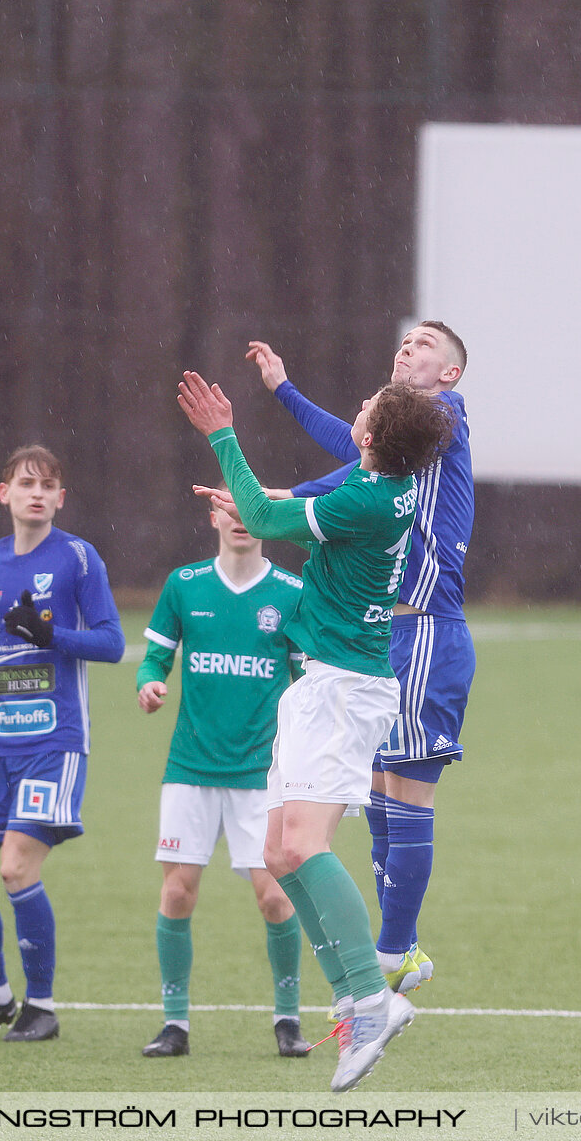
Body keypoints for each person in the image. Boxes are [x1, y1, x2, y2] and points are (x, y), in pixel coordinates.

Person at [177, 370, 453, 1092]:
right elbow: (277, 511)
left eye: (362, 408)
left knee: (303, 845)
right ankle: (352, 997)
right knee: (276, 851)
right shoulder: (375, 489)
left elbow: (271, 526)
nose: (357, 408)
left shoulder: (367, 496)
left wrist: (222, 438)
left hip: (343, 690)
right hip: (323, 686)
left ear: (369, 436)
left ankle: (371, 998)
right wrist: (242, 496)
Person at [246, 322, 473, 993]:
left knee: (408, 790)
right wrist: (284, 492)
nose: (408, 346)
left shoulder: (445, 417)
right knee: (378, 792)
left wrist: (285, 404)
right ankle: (393, 949)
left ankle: (394, 950)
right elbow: (353, 466)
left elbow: (348, 464)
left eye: (426, 344)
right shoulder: (398, 448)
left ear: (451, 375)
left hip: (426, 628)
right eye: (403, 340)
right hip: (383, 639)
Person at [0, 444, 126, 1043]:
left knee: (15, 867)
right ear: (3, 492)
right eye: (25, 483)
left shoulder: (78, 559)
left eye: (48, 485)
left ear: (61, 498)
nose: (37, 493)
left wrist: (51, 634)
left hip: (54, 742)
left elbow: (112, 642)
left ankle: (42, 1006)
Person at [134, 497, 312, 1060]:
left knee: (274, 899)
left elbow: (308, 679)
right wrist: (149, 682)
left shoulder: (290, 593)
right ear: (212, 518)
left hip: (261, 776)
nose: (237, 518)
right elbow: (153, 657)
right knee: (178, 892)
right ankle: (174, 1024)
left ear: (263, 520)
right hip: (189, 768)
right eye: (225, 507)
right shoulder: (184, 585)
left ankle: (288, 1019)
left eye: (247, 508)